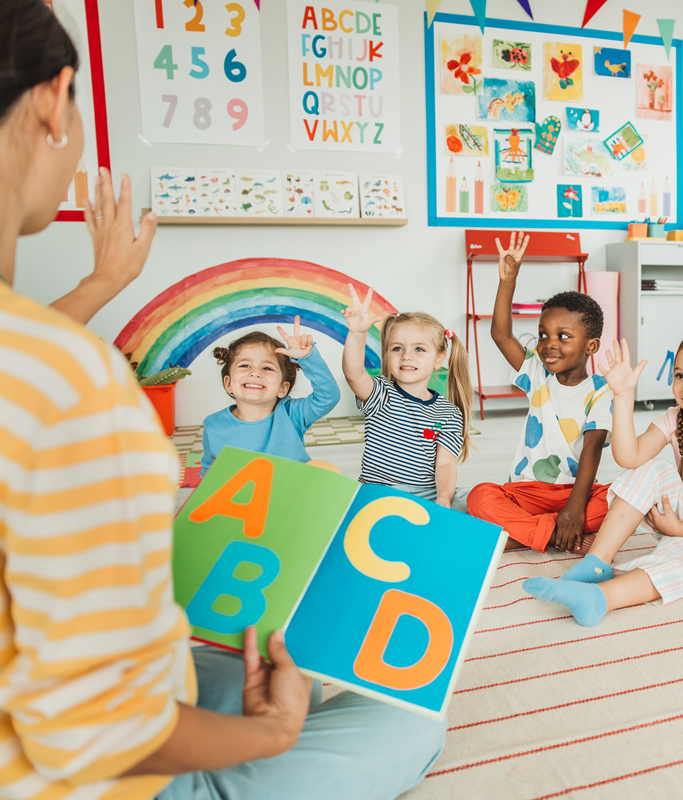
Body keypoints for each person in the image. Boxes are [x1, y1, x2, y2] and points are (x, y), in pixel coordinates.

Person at [0, 4, 444, 798]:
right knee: (412, 719)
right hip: (88, 776)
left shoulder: (43, 368)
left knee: (244, 654)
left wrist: (103, 283)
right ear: (52, 101)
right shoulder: (76, 385)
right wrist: (269, 733)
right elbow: (88, 734)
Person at [524, 330, 683, 627]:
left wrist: (680, 530)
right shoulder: (676, 417)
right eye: (680, 375)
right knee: (652, 468)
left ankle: (600, 599)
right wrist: (623, 396)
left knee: (679, 558)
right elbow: (630, 457)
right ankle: (597, 563)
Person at [466, 232, 614, 553]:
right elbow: (501, 334)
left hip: (576, 492)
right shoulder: (536, 372)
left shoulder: (602, 390)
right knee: (479, 497)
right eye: (543, 334)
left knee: (624, 498)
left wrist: (574, 509)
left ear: (591, 346)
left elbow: (592, 450)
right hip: (527, 491)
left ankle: (524, 533)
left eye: (563, 336)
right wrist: (508, 281)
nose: (549, 344)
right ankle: (552, 535)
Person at [342, 292, 473, 510]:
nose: (406, 356)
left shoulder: (449, 413)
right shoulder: (380, 393)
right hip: (379, 493)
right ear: (387, 354)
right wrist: (357, 333)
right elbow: (353, 374)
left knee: (476, 498)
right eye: (397, 348)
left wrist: (443, 498)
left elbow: (446, 465)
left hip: (426, 494)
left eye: (419, 349)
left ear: (439, 359)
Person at [200, 318, 340, 476]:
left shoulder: (292, 414)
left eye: (267, 368)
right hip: (245, 492)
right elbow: (209, 473)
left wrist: (307, 358)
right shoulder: (213, 426)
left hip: (292, 489)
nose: (255, 373)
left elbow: (328, 397)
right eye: (245, 365)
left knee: (324, 469)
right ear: (228, 383)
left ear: (282, 388)